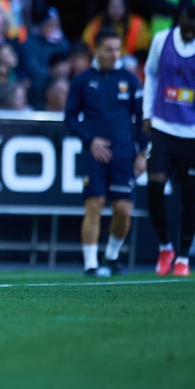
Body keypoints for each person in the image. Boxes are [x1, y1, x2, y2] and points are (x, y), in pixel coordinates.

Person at [141, 4, 195, 277]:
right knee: (154, 187)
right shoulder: (161, 41)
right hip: (163, 126)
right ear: (178, 22)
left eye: (194, 29)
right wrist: (147, 114)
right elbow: (150, 75)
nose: (189, 33)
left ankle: (183, 256)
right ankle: (165, 246)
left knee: (190, 196)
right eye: (185, 28)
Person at [64, 29, 149, 276]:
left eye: (117, 49)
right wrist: (90, 141)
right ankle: (90, 264)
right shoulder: (82, 80)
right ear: (96, 50)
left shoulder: (130, 80)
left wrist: (143, 152)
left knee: (123, 210)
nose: (115, 54)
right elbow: (69, 117)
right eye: (109, 49)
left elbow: (142, 118)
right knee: (95, 204)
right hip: (94, 155)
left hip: (124, 155)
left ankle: (111, 256)